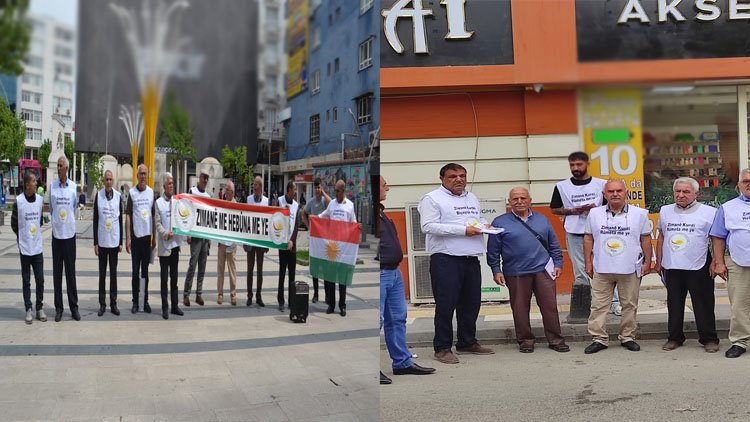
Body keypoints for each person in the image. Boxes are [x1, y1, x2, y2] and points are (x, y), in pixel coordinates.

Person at [418, 163, 494, 364]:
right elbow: (427, 226)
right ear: (442, 178)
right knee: (446, 304)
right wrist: (463, 231)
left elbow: (474, 219)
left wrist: (485, 224)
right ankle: (442, 347)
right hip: (446, 258)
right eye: (453, 176)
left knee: (471, 303)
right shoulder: (432, 198)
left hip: (470, 257)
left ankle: (467, 341)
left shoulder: (471, 197)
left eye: (462, 175)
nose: (458, 179)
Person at [487, 187, 569, 353]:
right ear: (509, 202)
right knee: (519, 308)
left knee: (550, 307)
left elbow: (553, 243)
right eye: (515, 199)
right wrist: (496, 269)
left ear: (529, 200)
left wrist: (558, 263)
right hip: (515, 272)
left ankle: (556, 340)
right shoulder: (500, 222)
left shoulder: (542, 219)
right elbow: (493, 250)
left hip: (543, 270)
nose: (519, 201)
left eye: (523, 198)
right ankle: (525, 341)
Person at [583, 179, 651, 354]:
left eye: (619, 190)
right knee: (598, 305)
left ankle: (627, 336)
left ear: (626, 193)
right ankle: (599, 338)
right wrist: (588, 262)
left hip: (629, 267)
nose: (615, 194)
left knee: (629, 304)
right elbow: (588, 238)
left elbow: (645, 239)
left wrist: (648, 262)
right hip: (601, 267)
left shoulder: (640, 214)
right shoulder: (594, 213)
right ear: (604, 194)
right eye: (611, 191)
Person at [549, 152, 620, 317]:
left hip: (599, 231)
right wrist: (573, 210)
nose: (575, 168)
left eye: (579, 164)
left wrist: (596, 209)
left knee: (604, 267)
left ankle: (613, 302)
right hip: (574, 231)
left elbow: (612, 205)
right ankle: (584, 304)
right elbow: (554, 208)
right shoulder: (562, 186)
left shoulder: (601, 184)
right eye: (572, 165)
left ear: (587, 164)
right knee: (580, 269)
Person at [379, 176, 435, 384]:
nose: (388, 189)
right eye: (385, 186)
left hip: (393, 273)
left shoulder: (382, 212)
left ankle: (402, 362)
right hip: (380, 273)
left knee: (397, 319)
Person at [654, 177, 719, 353]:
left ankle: (709, 339)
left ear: (696, 194)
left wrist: (716, 261)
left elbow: (715, 239)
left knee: (703, 302)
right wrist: (658, 261)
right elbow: (661, 236)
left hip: (699, 263)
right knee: (674, 303)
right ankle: (674, 338)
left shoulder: (709, 212)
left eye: (686, 192)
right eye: (677, 191)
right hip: (672, 264)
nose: (681, 195)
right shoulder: (665, 211)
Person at [710, 168, 750, 359]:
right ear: (739, 185)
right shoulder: (727, 208)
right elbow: (718, 237)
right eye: (745, 181)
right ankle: (739, 341)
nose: (749, 184)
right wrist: (719, 262)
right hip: (738, 262)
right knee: (739, 305)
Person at [12, 172, 46, 324]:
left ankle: (39, 308)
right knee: (26, 280)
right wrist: (23, 237)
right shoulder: (18, 201)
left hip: (37, 247)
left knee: (40, 279)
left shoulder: (39, 200)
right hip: (25, 248)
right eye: (34, 181)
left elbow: (39, 221)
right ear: (27, 185)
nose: (36, 183)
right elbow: (14, 224)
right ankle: (28, 309)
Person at [319, 180, 357, 316]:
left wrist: (358, 227)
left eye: (337, 191)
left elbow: (353, 223)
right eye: (334, 191)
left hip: (344, 248)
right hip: (332, 247)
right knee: (330, 278)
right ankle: (331, 304)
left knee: (342, 279)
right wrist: (314, 218)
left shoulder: (350, 206)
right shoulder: (332, 204)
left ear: (343, 191)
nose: (335, 193)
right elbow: (323, 216)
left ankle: (342, 305)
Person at [50, 155, 80, 322]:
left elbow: (73, 208)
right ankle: (59, 308)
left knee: (70, 273)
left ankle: (74, 307)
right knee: (57, 274)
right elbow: (52, 209)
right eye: (57, 165)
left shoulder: (73, 188)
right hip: (56, 237)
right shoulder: (52, 186)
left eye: (61, 165)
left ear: (66, 168)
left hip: (69, 236)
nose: (58, 167)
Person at [125, 164, 156, 314]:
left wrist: (154, 237)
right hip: (136, 239)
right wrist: (128, 238)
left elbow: (154, 216)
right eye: (140, 174)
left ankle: (145, 300)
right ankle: (135, 302)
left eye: (145, 174)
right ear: (137, 176)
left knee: (145, 273)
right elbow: (128, 217)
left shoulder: (151, 193)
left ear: (147, 175)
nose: (143, 176)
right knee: (134, 272)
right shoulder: (132, 193)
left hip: (147, 239)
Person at [93, 170, 123, 317]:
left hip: (114, 241)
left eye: (111, 179)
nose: (109, 182)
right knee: (102, 275)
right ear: (103, 181)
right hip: (102, 241)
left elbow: (121, 220)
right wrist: (95, 243)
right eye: (107, 179)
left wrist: (121, 241)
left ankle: (113, 303)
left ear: (113, 181)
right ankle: (102, 304)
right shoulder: (98, 196)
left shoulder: (118, 196)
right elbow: (95, 220)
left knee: (114, 274)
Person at [155, 172, 184, 319]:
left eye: (173, 183)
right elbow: (158, 223)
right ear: (164, 185)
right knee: (164, 279)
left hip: (175, 245)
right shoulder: (159, 202)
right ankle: (165, 307)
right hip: (164, 246)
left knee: (174, 278)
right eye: (170, 183)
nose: (172, 185)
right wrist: (166, 234)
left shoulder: (177, 201)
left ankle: (174, 306)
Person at [301, 177, 331, 303]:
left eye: (319, 187)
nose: (317, 190)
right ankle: (316, 293)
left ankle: (327, 295)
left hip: (325, 238)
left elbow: (331, 203)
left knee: (326, 268)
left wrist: (323, 192)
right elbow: (303, 214)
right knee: (315, 267)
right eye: (316, 188)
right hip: (315, 239)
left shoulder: (325, 201)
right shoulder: (311, 202)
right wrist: (308, 227)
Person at [184, 169, 211, 307]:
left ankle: (198, 294)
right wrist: (188, 233)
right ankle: (186, 294)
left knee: (202, 266)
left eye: (207, 178)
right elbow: (187, 211)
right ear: (199, 177)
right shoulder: (192, 191)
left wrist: (210, 237)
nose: (205, 180)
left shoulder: (208, 195)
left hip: (205, 236)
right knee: (192, 265)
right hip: (194, 234)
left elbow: (209, 217)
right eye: (203, 177)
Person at [277, 181, 301, 312]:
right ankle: (280, 300)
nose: (295, 191)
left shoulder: (297, 206)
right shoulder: (280, 201)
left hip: (292, 246)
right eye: (294, 189)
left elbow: (296, 226)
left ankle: (292, 302)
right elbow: (275, 218)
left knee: (292, 276)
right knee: (282, 273)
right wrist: (282, 210)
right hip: (282, 244)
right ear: (289, 190)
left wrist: (292, 241)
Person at [245, 176, 269, 307]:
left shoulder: (266, 201)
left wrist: (267, 243)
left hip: (260, 241)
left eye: (256, 184)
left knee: (260, 270)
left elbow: (267, 221)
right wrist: (244, 241)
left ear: (260, 186)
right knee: (250, 270)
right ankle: (249, 295)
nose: (254, 187)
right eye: (253, 184)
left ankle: (259, 296)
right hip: (250, 239)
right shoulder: (248, 199)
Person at [217, 180, 238, 306]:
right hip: (222, 242)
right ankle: (220, 294)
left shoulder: (237, 205)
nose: (226, 192)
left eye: (228, 190)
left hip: (232, 243)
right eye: (225, 189)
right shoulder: (222, 204)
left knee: (232, 270)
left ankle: (233, 294)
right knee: (220, 269)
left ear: (232, 192)